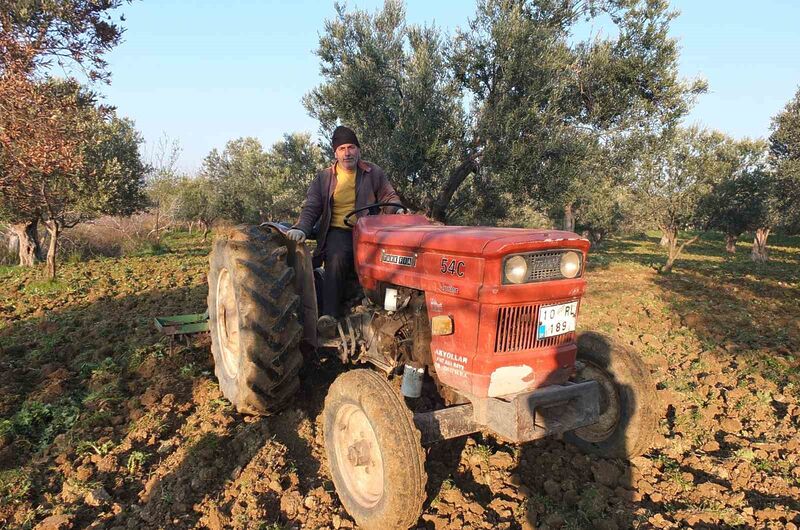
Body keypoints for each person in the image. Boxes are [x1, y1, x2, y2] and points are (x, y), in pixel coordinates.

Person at [287, 126, 402, 333]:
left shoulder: (372, 172)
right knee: (338, 256)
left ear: (358, 150)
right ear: (335, 153)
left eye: (351, 147)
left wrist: (398, 211)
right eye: (342, 148)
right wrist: (302, 228)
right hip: (339, 230)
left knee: (393, 259)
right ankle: (329, 316)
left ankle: (389, 310)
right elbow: (312, 207)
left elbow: (388, 197)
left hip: (368, 233)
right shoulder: (324, 178)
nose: (347, 152)